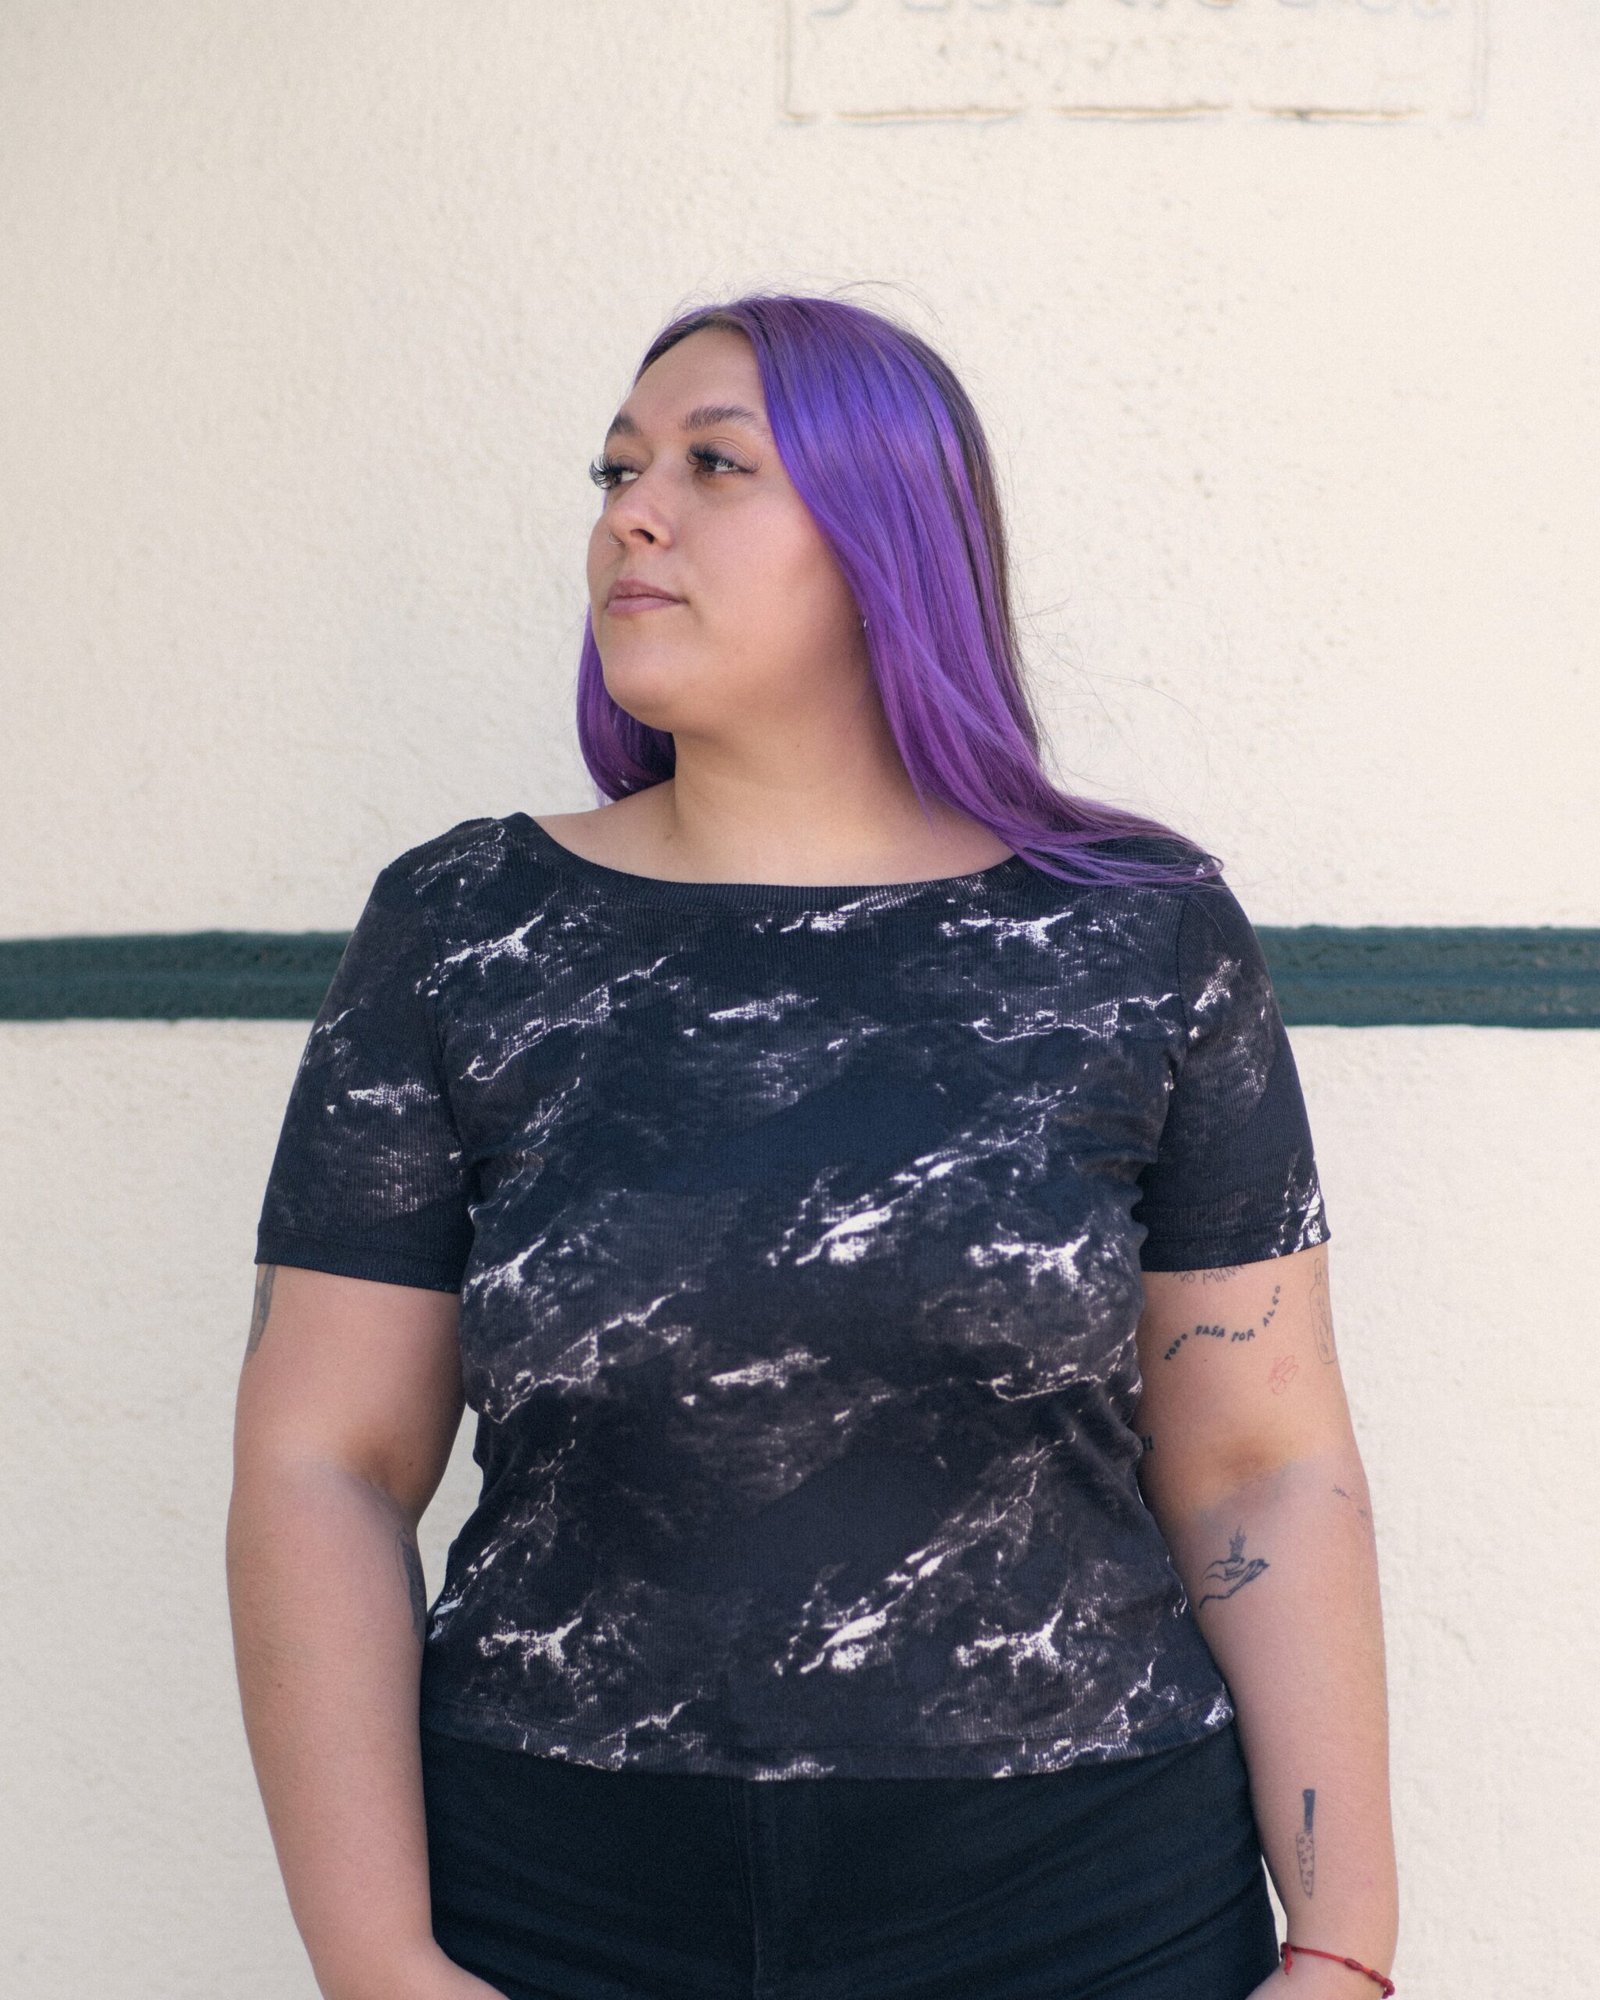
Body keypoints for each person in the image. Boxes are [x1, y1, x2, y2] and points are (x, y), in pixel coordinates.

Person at [228, 290, 1399, 2000]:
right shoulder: (468, 927)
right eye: (618, 468)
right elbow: (322, 1459)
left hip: (1079, 1905)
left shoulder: (1136, 937)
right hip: (559, 1896)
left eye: (714, 466)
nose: (633, 513)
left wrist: (1348, 1944)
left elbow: (1263, 1463)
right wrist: (375, 1957)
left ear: (888, 539)